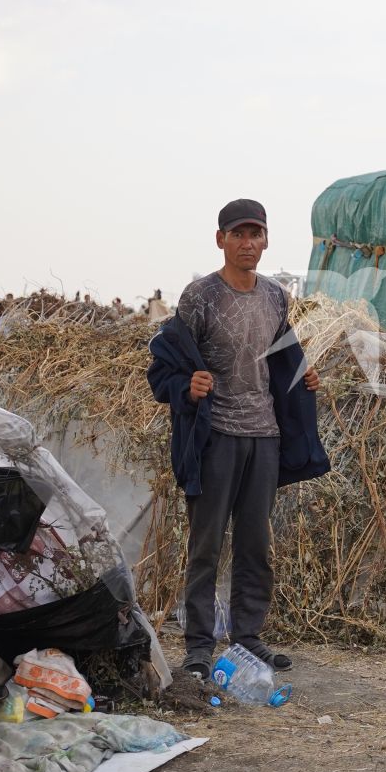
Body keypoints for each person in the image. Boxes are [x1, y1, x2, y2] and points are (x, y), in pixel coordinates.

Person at [147, 198, 330, 681]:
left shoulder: (275, 296)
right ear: (220, 240)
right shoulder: (200, 297)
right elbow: (162, 367)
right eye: (238, 234)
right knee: (206, 545)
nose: (248, 243)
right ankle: (199, 646)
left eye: (256, 234)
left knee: (255, 544)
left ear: (266, 240)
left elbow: (282, 356)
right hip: (216, 437)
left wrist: (302, 378)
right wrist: (187, 388)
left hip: (264, 436)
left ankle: (248, 637)